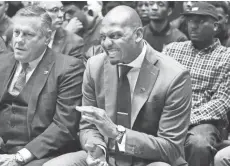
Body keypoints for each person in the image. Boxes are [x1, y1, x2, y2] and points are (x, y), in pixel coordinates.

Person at [58, 5, 191, 166]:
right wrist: (97, 149)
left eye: (115, 36)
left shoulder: (174, 75)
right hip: (106, 155)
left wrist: (117, 134)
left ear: (138, 34)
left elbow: (170, 148)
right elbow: (88, 126)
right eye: (103, 37)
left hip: (151, 160)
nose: (106, 44)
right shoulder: (95, 66)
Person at [0, 5, 84, 166]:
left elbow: (64, 126)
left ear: (47, 37)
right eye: (16, 33)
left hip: (40, 154)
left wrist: (20, 157)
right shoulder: (0, 62)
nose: (19, 40)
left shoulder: (68, 68)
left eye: (28, 34)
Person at [162, 2, 230, 166]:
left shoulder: (226, 56)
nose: (193, 25)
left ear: (215, 26)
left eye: (200, 21)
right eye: (191, 21)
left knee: (198, 142)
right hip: (168, 114)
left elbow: (222, 101)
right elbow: (157, 84)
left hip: (205, 122)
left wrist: (186, 119)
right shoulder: (172, 49)